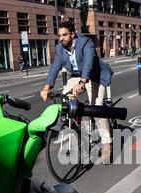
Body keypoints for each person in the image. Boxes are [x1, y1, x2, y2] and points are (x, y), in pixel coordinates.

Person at [40, 21, 113, 162]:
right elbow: (55, 67)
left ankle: (106, 143)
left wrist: (82, 82)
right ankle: (79, 126)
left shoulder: (86, 43)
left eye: (65, 35)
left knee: (97, 109)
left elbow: (88, 63)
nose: (61, 38)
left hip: (94, 76)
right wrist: (46, 87)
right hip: (76, 76)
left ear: (73, 34)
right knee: (64, 100)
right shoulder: (60, 49)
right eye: (59, 35)